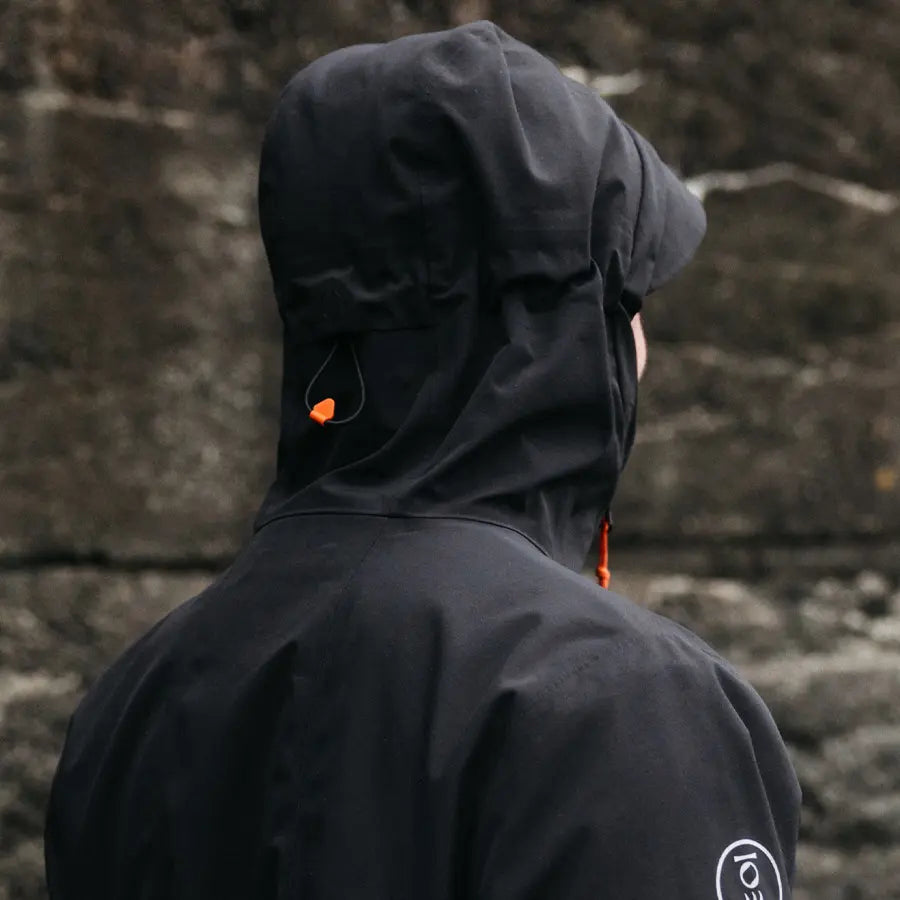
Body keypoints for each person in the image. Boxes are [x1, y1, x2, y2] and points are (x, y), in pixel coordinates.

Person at [45, 20, 800, 900]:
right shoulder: (618, 699)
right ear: (564, 322)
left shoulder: (134, 701)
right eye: (631, 299)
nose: (644, 348)